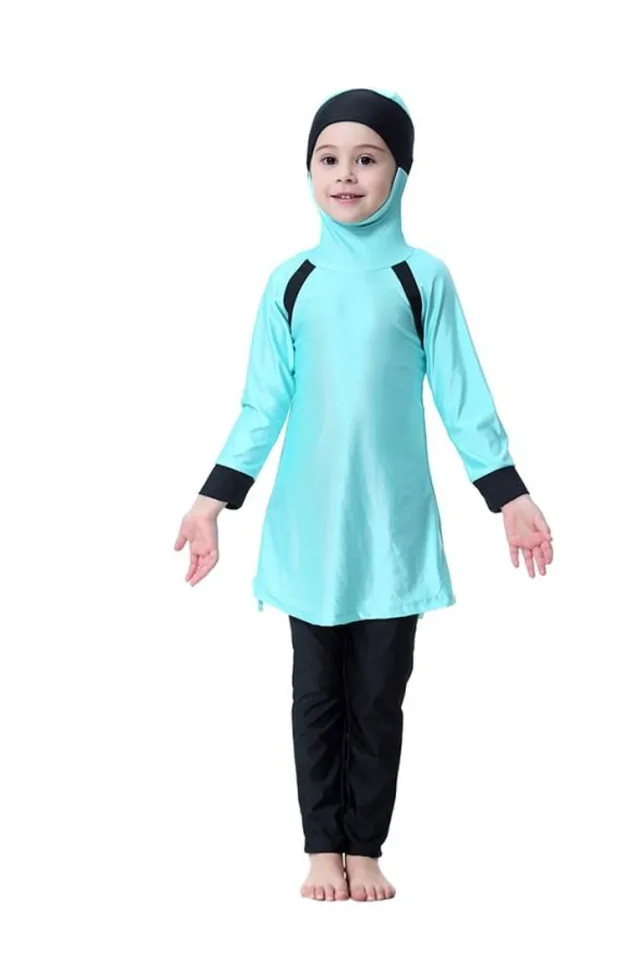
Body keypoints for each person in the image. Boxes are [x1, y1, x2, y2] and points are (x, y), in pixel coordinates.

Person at [174, 87, 554, 902]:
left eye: (367, 158)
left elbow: (461, 394)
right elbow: (262, 404)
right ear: (308, 170)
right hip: (310, 529)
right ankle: (322, 846)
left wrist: (509, 494)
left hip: (390, 530)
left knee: (379, 697)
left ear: (401, 171)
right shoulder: (291, 280)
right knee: (315, 694)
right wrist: (211, 501)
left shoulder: (423, 278)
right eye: (329, 158)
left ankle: (365, 846)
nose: (345, 174)